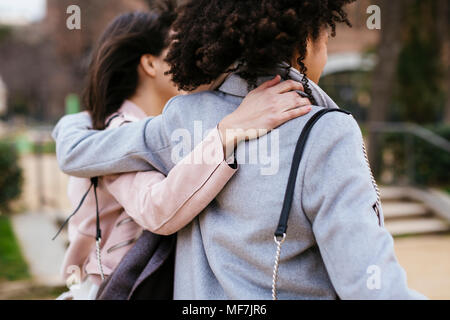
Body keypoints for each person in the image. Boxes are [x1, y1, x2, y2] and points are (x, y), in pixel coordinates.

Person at [53, 0, 426, 299]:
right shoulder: (328, 132)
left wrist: (78, 117)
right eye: (325, 37)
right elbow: (369, 286)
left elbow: (76, 152)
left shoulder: (184, 118)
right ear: (305, 42)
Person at [56, 8, 312, 300]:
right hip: (119, 290)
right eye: (176, 51)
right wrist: (229, 131)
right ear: (150, 64)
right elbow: (157, 208)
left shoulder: (152, 126)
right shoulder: (122, 130)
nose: (189, 59)